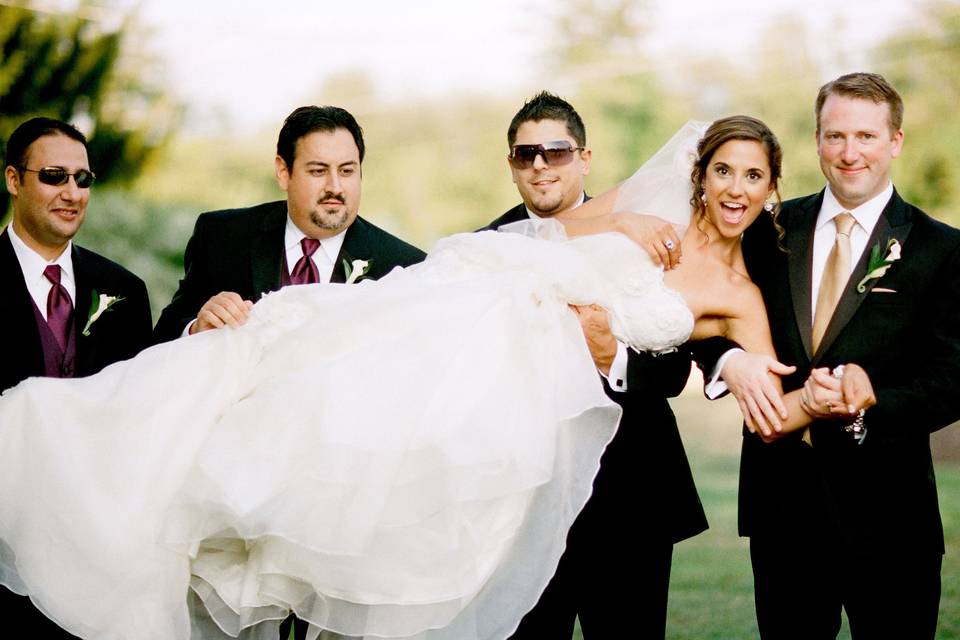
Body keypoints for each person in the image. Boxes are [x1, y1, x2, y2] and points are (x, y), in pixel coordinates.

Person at [0, 116, 849, 640]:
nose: (735, 188)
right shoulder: (644, 213)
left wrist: (819, 391)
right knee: (323, 361)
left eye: (754, 177)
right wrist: (617, 216)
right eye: (724, 170)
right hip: (501, 315)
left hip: (553, 397)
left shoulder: (739, 298)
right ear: (701, 176)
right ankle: (140, 457)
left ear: (773, 192)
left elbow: (772, 399)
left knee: (417, 482)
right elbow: (548, 236)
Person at [704, 73, 960, 638]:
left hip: (892, 517)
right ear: (816, 140)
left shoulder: (942, 248)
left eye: (866, 136)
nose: (849, 153)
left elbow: (954, 377)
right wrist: (730, 363)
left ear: (895, 141)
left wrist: (874, 403)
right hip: (783, 512)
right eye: (835, 136)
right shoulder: (764, 231)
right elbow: (704, 315)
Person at [483, 91, 705, 639]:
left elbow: (675, 369)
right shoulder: (488, 248)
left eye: (555, 151)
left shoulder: (645, 231)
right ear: (511, 166)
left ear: (584, 158)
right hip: (528, 510)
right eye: (524, 154)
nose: (539, 164)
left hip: (631, 500)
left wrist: (613, 356)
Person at [0, 117, 152, 638]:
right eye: (54, 176)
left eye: (82, 180)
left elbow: (137, 421)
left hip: (95, 557)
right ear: (14, 180)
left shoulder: (125, 292)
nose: (71, 193)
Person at [152, 105, 426, 343]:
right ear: (284, 173)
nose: (335, 186)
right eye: (318, 171)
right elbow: (159, 339)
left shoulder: (405, 267)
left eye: (347, 171)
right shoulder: (221, 235)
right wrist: (196, 328)